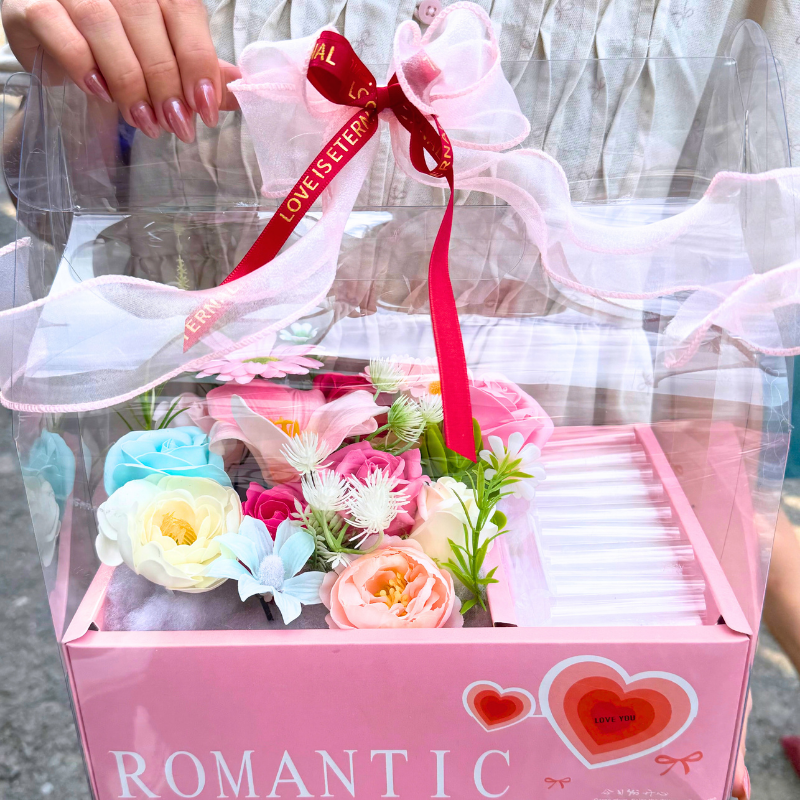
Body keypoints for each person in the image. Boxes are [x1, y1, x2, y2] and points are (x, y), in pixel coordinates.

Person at [4, 2, 798, 799]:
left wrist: (708, 656)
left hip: (570, 470)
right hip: (230, 436)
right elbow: (58, 214)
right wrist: (70, 80)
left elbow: (731, 290)